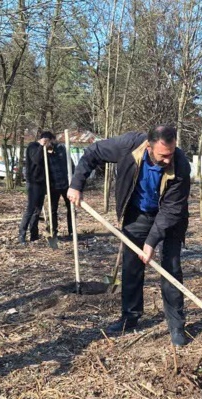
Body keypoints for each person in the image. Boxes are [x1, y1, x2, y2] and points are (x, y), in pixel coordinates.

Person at [68, 126, 191, 346]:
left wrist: (150, 243)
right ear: (149, 147)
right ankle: (130, 317)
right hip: (138, 213)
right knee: (131, 265)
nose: (168, 159)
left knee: (171, 268)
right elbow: (93, 152)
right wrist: (77, 184)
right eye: (163, 155)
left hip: (171, 219)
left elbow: (171, 210)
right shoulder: (128, 146)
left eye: (171, 153)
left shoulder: (180, 163)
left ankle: (176, 325)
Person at [41, 132, 72, 238]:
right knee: (53, 209)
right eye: (44, 141)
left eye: (48, 141)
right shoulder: (42, 152)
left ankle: (71, 231)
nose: (47, 143)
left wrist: (73, 179)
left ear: (52, 140)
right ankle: (53, 230)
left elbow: (69, 163)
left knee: (71, 208)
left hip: (65, 184)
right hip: (53, 186)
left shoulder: (60, 149)